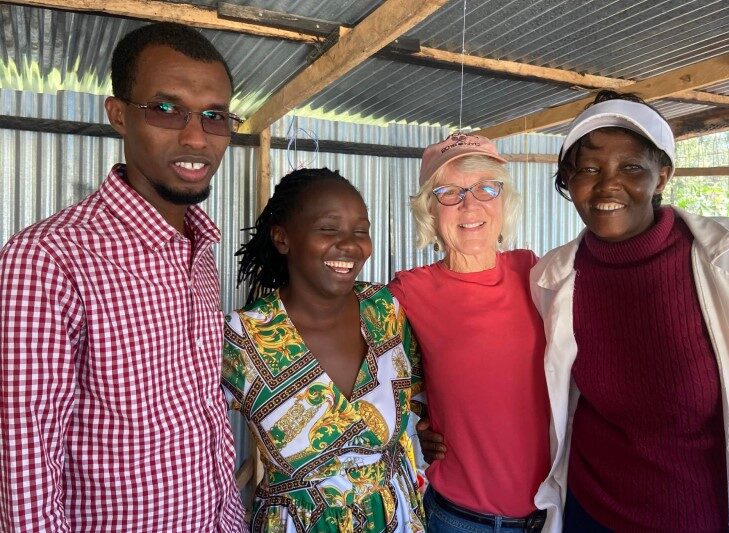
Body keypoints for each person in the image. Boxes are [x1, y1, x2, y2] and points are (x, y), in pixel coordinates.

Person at [0, 23, 245, 531]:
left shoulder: (200, 249)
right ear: (118, 115)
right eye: (165, 108)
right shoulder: (48, 260)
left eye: (214, 116)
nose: (196, 137)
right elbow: (25, 476)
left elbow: (203, 416)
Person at [531, 90, 729, 532]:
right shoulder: (552, 277)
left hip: (704, 518)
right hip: (590, 514)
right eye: (588, 169)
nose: (607, 185)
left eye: (631, 167)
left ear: (663, 175)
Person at [222, 167, 425, 532]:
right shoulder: (242, 337)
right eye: (329, 229)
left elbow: (419, 392)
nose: (350, 244)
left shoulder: (385, 311)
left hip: (398, 518)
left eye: (360, 231)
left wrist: (433, 430)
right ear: (283, 238)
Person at [388, 134, 551, 532]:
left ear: (503, 199)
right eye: (450, 192)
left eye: (486, 188)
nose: (470, 204)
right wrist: (413, 425)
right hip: (460, 520)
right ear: (429, 207)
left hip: (552, 515)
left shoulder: (537, 274)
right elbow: (371, 378)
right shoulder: (409, 292)